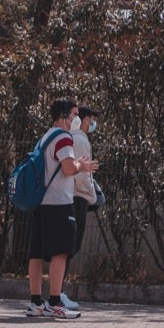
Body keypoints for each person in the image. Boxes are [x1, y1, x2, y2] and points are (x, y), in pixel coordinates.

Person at [26, 98, 98, 320]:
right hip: (59, 201)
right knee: (61, 252)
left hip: (41, 201)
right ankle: (55, 302)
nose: (76, 119)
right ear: (65, 115)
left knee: (37, 253)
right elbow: (68, 167)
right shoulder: (63, 138)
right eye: (74, 114)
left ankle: (36, 302)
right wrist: (81, 166)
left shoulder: (44, 137)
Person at [65, 105, 99, 314]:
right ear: (87, 120)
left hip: (75, 197)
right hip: (77, 197)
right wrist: (92, 195)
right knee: (70, 246)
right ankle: (57, 292)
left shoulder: (76, 139)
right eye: (93, 119)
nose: (94, 124)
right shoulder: (79, 140)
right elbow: (81, 173)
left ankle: (58, 291)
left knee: (69, 246)